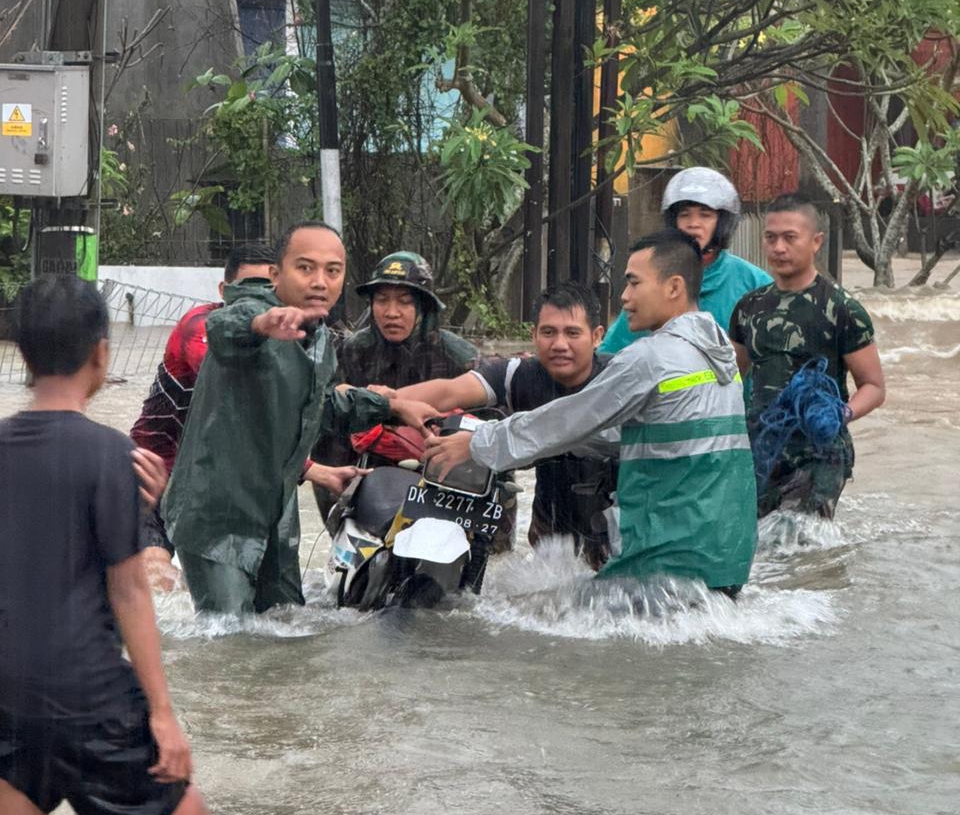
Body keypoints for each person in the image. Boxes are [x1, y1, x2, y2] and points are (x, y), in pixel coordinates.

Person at [423, 232, 757, 595]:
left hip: (666, 564)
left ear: (673, 286)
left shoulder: (650, 358)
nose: (624, 298)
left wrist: (477, 444)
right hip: (725, 560)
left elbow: (566, 420)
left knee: (533, 616)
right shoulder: (717, 355)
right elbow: (640, 438)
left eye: (633, 283)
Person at [0, 276, 207, 815]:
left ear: (21, 352)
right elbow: (131, 592)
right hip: (90, 696)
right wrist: (162, 714)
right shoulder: (116, 455)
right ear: (101, 353)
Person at [161, 221, 437, 615]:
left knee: (288, 630)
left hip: (277, 513)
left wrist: (393, 408)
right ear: (276, 273)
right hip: (216, 515)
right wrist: (261, 324)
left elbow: (321, 409)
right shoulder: (254, 311)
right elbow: (223, 327)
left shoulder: (321, 338)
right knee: (229, 640)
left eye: (332, 271)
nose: (320, 282)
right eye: (305, 268)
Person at [393, 281, 616, 569]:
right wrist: (385, 400)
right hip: (550, 544)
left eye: (572, 333)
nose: (560, 344)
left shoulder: (620, 379)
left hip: (619, 538)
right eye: (548, 332)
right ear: (533, 335)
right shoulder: (518, 376)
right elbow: (449, 391)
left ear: (597, 336)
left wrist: (477, 444)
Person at [729, 193, 885, 518]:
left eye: (790, 238)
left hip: (821, 451)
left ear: (816, 242)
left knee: (804, 547)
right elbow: (732, 377)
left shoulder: (843, 309)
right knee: (762, 550)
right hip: (763, 447)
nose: (778, 248)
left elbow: (873, 386)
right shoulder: (749, 308)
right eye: (771, 238)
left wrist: (841, 413)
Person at [130, 242, 276, 589]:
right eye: (247, 289)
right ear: (224, 291)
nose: (257, 301)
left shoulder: (286, 338)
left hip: (216, 487)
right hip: (154, 476)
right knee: (158, 581)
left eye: (268, 290)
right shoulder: (202, 327)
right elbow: (233, 386)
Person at [311, 251, 479, 520]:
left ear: (424, 307)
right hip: (367, 473)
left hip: (440, 474)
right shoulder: (352, 351)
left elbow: (495, 434)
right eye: (381, 301)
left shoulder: (459, 357)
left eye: (404, 302)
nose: (391, 313)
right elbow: (324, 419)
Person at [600, 166, 771, 357]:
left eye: (705, 215)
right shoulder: (653, 276)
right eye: (684, 214)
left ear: (722, 221)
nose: (693, 223)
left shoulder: (754, 283)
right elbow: (612, 354)